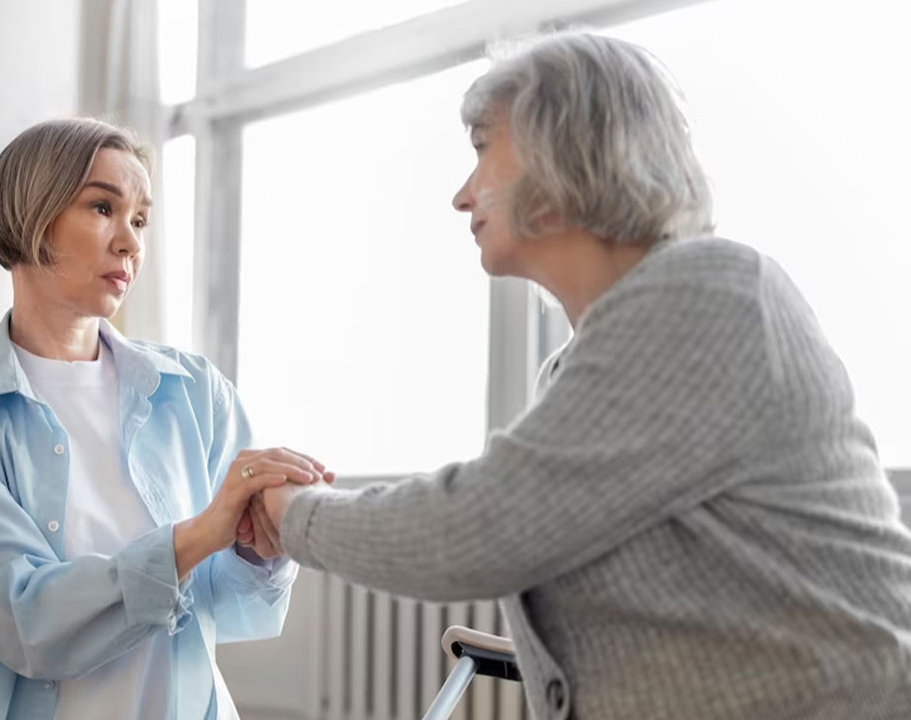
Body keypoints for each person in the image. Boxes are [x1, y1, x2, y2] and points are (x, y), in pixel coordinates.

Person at [259, 31, 911, 720]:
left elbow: (477, 528)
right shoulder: (579, 363)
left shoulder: (711, 293)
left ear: (563, 147)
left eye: (483, 151)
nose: (460, 195)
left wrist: (289, 514)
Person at [0, 117, 331, 719]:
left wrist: (259, 548)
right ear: (32, 214)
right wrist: (197, 535)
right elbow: (20, 619)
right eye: (103, 207)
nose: (131, 243)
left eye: (140, 220)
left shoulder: (195, 392)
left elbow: (230, 603)